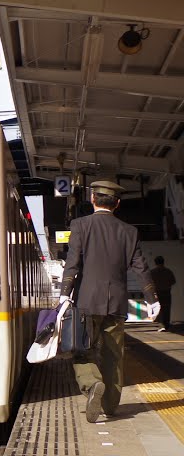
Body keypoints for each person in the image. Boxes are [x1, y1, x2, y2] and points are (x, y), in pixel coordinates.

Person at [58, 180, 159, 423]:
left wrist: (64, 294)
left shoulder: (80, 225)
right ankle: (111, 405)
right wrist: (151, 298)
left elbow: (73, 263)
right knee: (114, 355)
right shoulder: (129, 231)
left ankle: (92, 384)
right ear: (118, 204)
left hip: (86, 301)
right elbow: (141, 268)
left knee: (81, 350)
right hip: (116, 304)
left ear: (93, 199)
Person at [149, 256, 176, 332]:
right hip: (166, 292)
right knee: (166, 308)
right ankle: (166, 325)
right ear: (163, 262)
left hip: (156, 293)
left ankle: (161, 325)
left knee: (158, 309)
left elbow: (149, 283)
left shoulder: (152, 272)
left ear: (155, 263)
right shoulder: (168, 271)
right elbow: (173, 281)